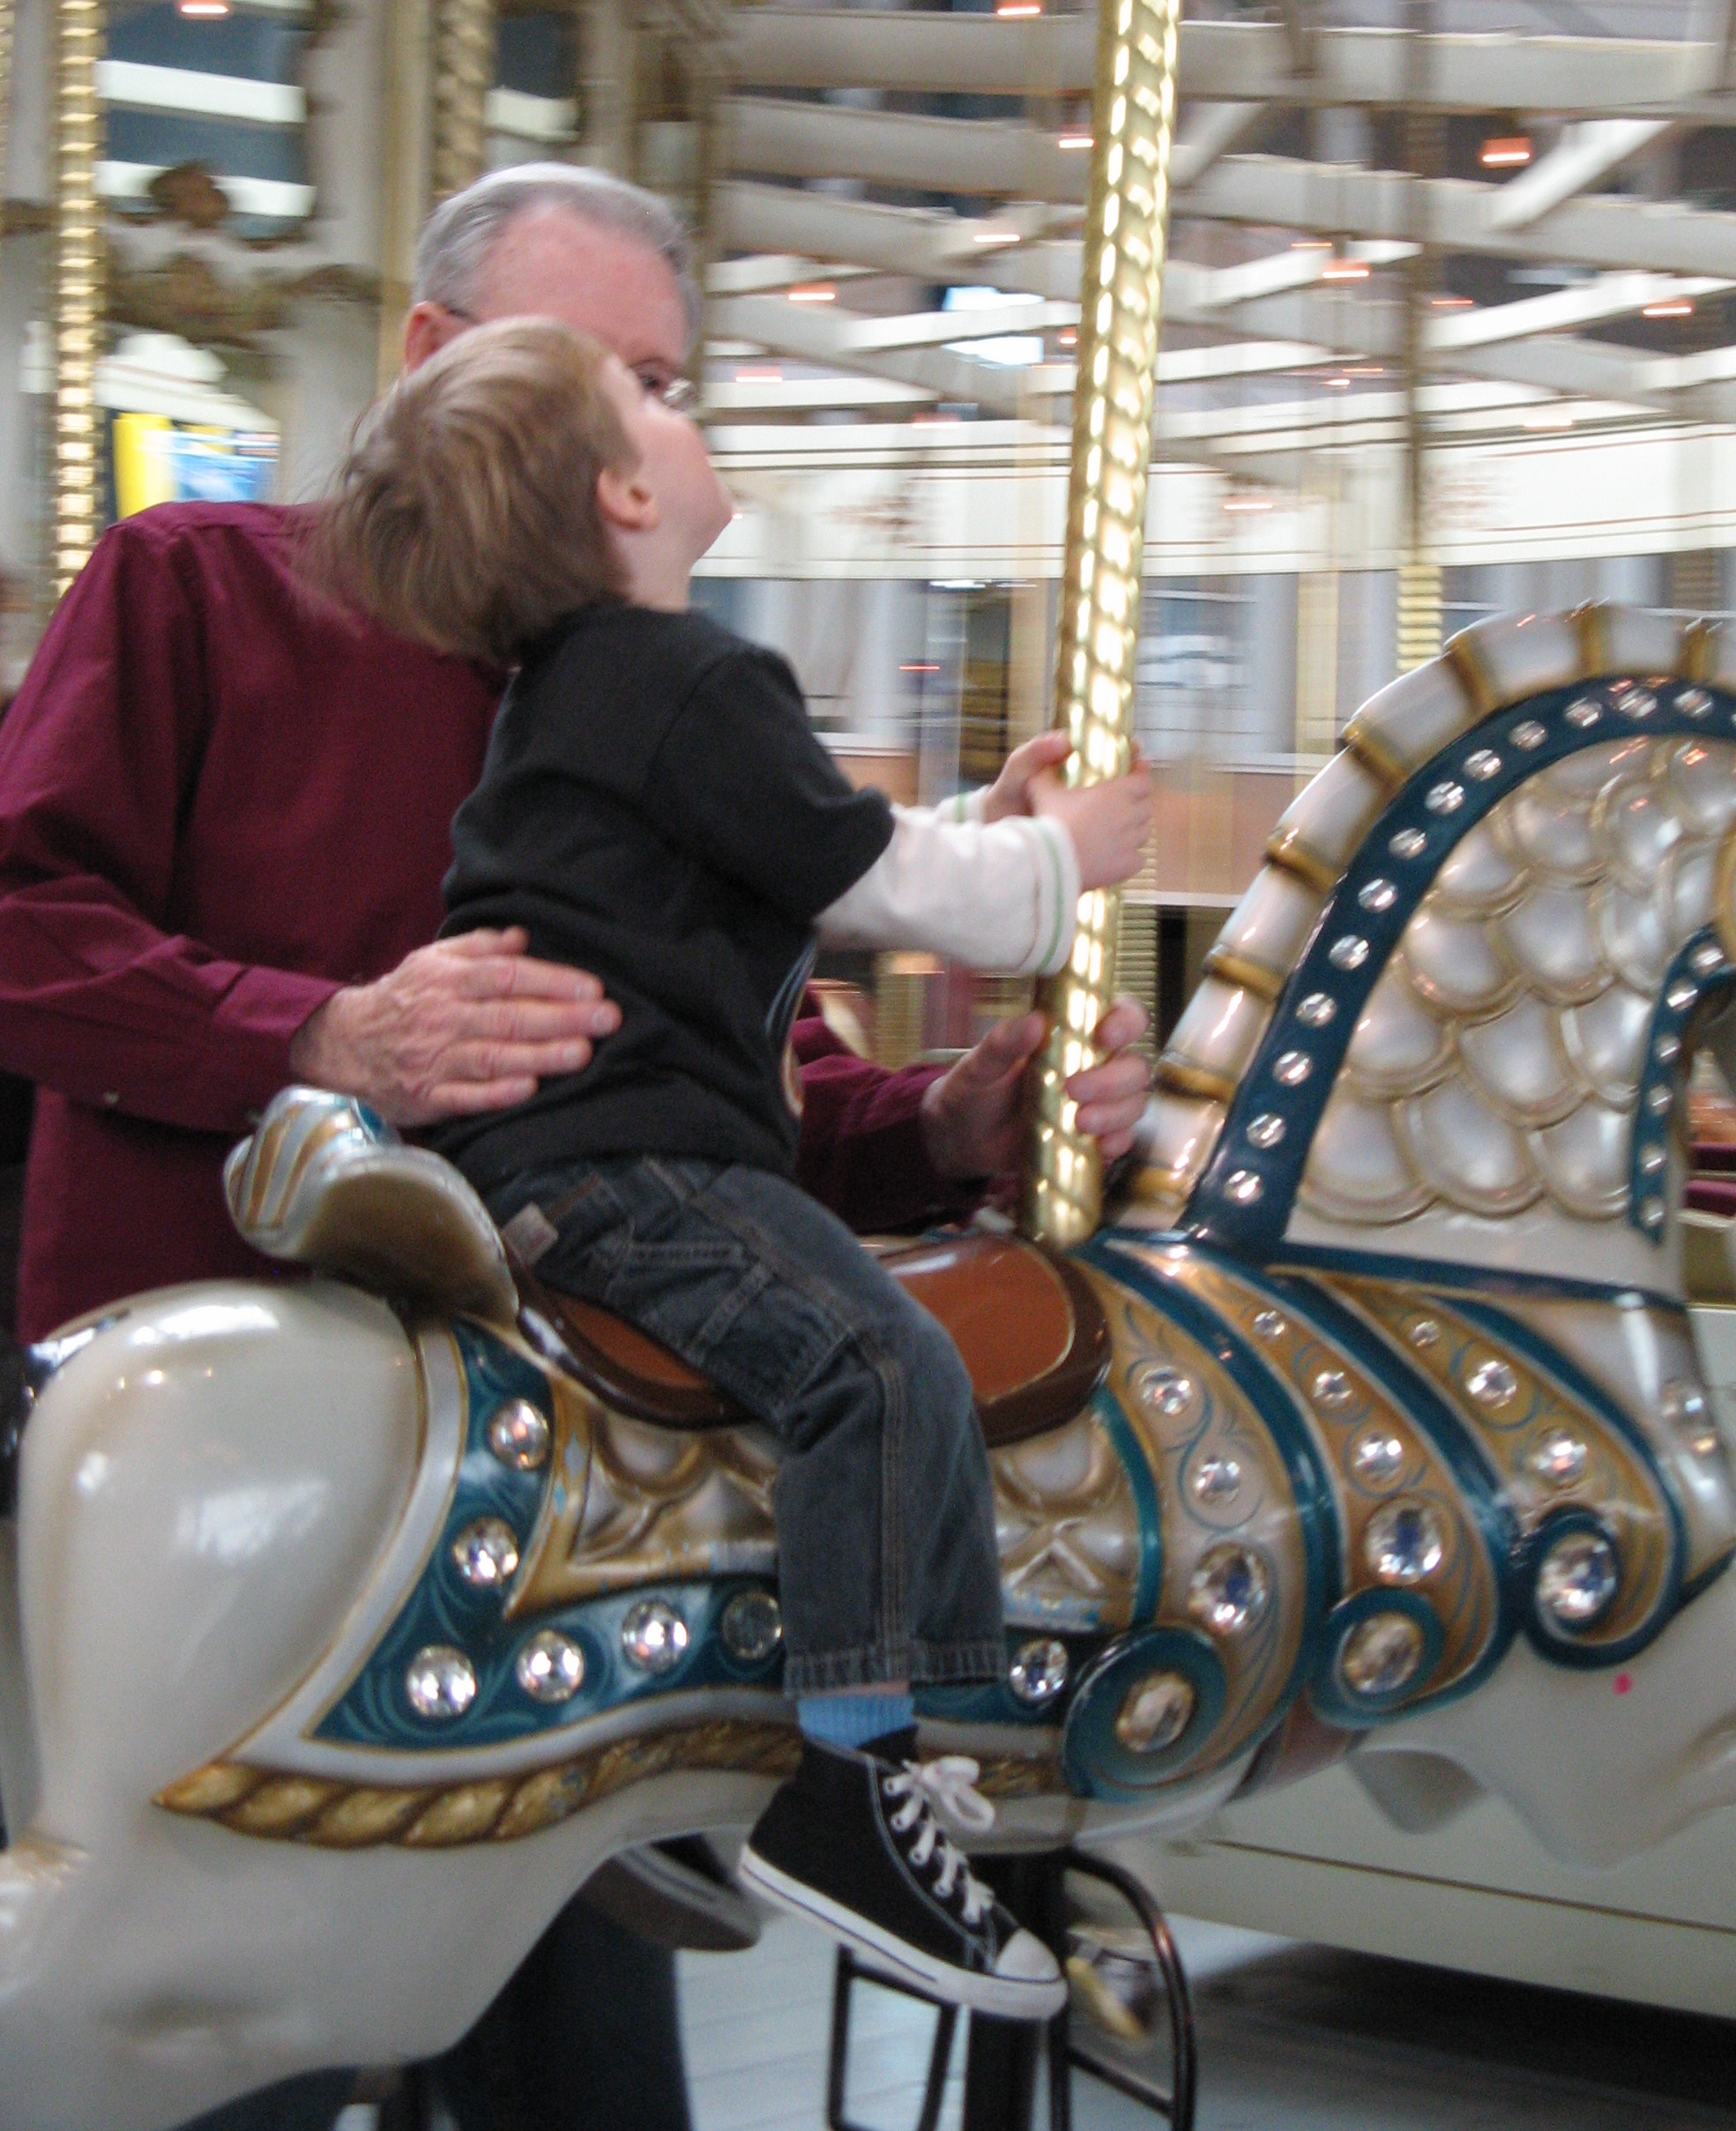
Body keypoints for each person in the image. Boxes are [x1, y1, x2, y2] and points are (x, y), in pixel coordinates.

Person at [0, 162, 1153, 2127]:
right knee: (204, 2058)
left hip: (552, 1529)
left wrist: (948, 1121)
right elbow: (24, 923)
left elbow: (736, 1083)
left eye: (665, 380)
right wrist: (320, 1033)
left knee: (596, 2090)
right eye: (599, 371)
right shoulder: (199, 586)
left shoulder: (648, 686)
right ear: (435, 359)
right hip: (238, 1494)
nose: (643, 420)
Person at [318, 317, 1152, 2016]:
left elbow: (827, 866)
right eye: (651, 394)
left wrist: (991, 841)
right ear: (624, 495)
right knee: (876, 1368)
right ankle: (858, 1774)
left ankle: (723, 1746)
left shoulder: (603, 694)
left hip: (573, 1161)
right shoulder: (683, 675)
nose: (681, 407)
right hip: (631, 1160)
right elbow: (887, 886)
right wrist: (1062, 862)